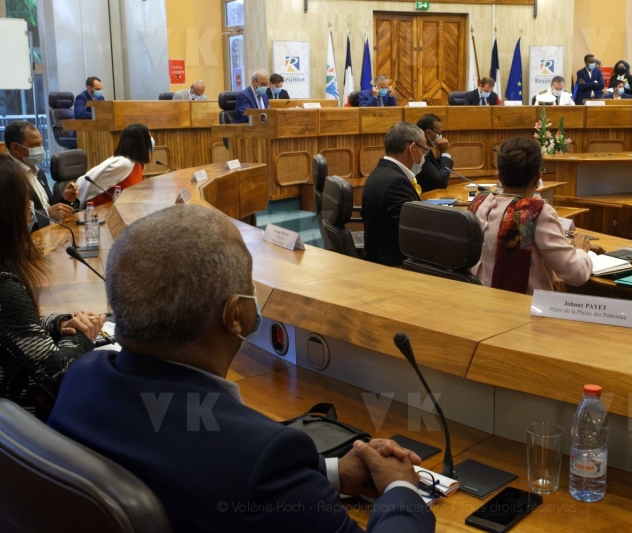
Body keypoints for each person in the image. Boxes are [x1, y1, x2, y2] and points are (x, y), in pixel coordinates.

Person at [47, 204, 434, 533]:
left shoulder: (83, 376)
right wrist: (401, 491)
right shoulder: (261, 458)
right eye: (249, 286)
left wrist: (330, 472)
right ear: (235, 315)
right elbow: (245, 470)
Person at [0, 154, 104, 419]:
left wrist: (60, 324)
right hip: (22, 422)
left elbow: (16, 328)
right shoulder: (4, 287)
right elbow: (60, 373)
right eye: (25, 202)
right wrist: (83, 336)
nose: (30, 209)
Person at [468, 137, 593, 294]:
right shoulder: (535, 213)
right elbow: (576, 274)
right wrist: (581, 250)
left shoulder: (479, 204)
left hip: (477, 299)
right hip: (522, 306)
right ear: (538, 177)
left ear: (498, 176)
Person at [362, 122, 425, 266]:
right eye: (423, 150)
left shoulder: (381, 172)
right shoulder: (396, 182)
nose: (423, 156)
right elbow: (415, 233)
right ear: (412, 148)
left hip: (377, 260)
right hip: (393, 267)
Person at [5, 121, 77, 226]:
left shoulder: (39, 173)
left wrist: (65, 200)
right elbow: (11, 221)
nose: (40, 149)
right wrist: (47, 214)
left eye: (40, 144)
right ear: (16, 148)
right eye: (34, 145)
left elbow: (49, 208)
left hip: (52, 232)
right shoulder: (6, 177)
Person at [75, 123, 152, 207]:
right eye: (149, 138)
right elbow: (86, 180)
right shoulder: (123, 163)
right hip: (101, 209)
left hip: (125, 207)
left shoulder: (138, 163)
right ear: (141, 142)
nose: (151, 141)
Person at [415, 113, 453, 193]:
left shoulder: (426, 149)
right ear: (428, 133)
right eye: (438, 133)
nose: (440, 137)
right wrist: (445, 153)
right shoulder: (420, 153)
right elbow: (441, 182)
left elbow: (435, 170)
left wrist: (442, 155)